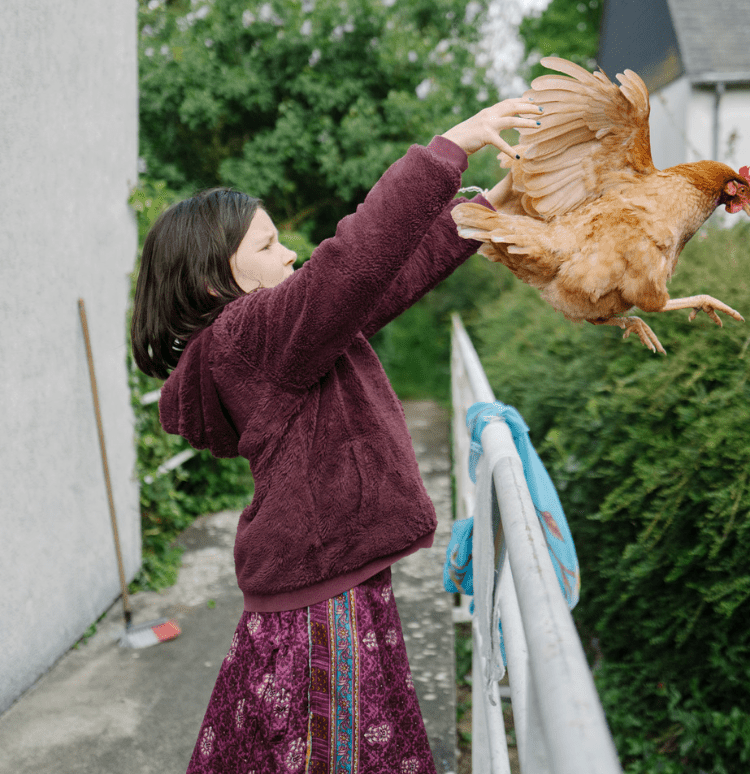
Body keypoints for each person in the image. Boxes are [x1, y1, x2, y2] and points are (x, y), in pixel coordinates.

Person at [130, 98, 539, 774]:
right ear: (212, 279)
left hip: (325, 586)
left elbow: (380, 283)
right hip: (321, 605)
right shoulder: (247, 335)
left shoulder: (278, 340)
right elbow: (352, 261)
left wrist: (488, 207)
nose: (289, 250)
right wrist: (449, 148)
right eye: (266, 246)